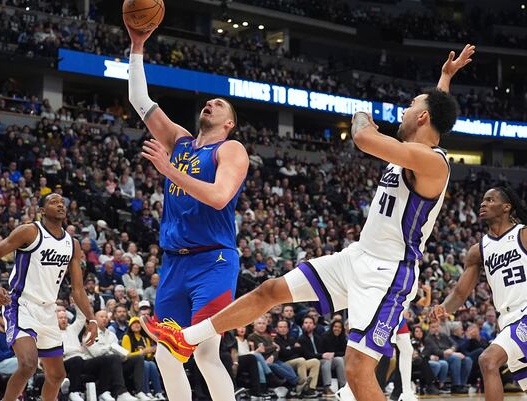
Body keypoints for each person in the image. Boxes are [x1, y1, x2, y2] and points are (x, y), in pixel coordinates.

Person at [142, 44, 476, 401]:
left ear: (422, 118)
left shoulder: (432, 163)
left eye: (412, 106)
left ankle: (187, 337)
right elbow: (436, 112)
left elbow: (363, 137)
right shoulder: (416, 149)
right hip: (356, 257)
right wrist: (445, 78)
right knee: (270, 290)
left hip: (388, 271)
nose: (406, 109)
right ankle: (186, 337)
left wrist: (361, 112)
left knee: (358, 371)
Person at [126, 24, 249, 401]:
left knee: (208, 353)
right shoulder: (179, 141)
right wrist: (137, 45)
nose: (209, 104)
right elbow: (139, 99)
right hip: (175, 265)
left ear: (228, 124)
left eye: (219, 105)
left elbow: (219, 196)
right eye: (208, 102)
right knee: (166, 354)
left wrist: (169, 171)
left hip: (213, 261)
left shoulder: (230, 150)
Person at [0, 193, 98, 401]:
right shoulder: (30, 231)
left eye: (62, 202)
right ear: (43, 210)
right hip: (20, 304)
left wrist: (91, 319)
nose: (60, 205)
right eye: (54, 202)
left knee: (57, 375)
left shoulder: (72, 244)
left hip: (48, 310)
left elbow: (78, 290)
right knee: (28, 365)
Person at [432, 186, 527, 401]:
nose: (483, 204)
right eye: (482, 200)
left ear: (506, 206)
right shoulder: (479, 250)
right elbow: (459, 293)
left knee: (488, 360)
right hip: (508, 320)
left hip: (526, 314)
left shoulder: (523, 234)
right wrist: (443, 309)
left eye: (490, 200)